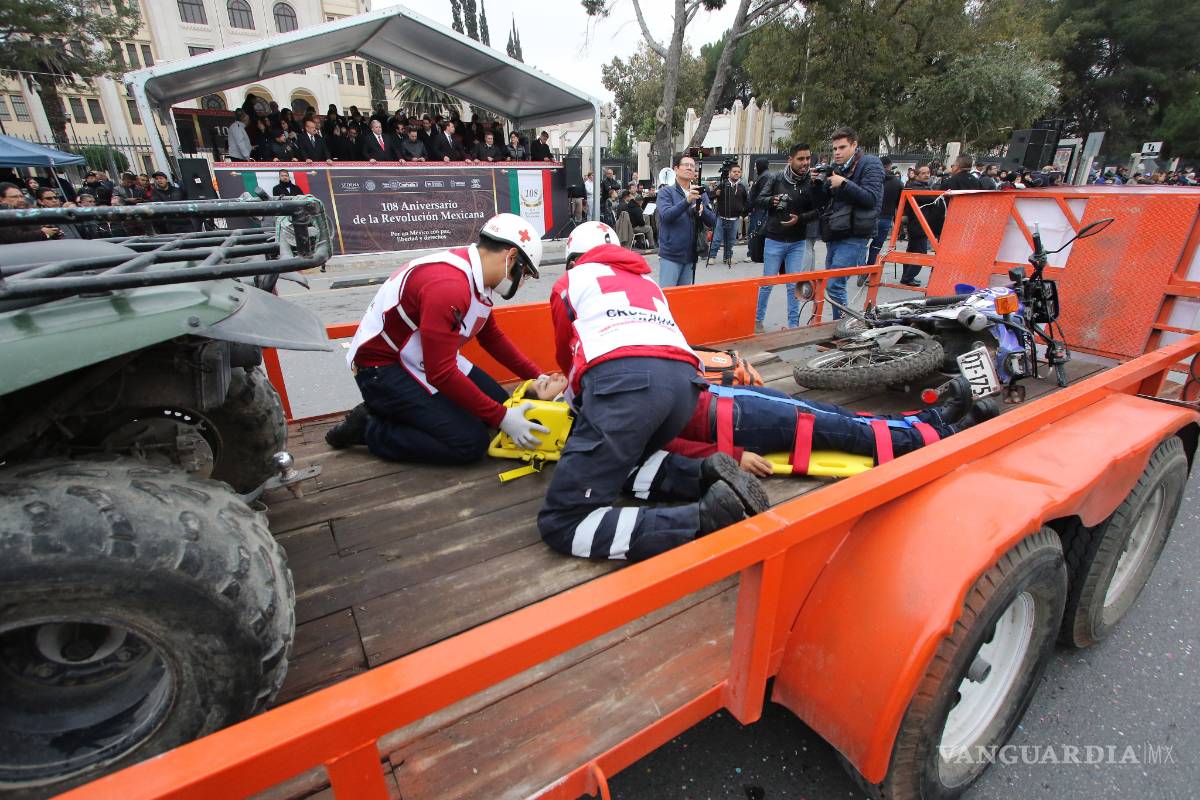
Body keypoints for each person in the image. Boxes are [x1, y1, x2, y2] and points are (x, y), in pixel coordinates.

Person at [538, 222, 769, 561]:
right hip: (685, 387)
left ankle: (702, 520)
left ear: (573, 259)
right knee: (625, 461)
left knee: (563, 521)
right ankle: (702, 473)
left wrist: (575, 407)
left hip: (627, 386)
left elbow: (567, 357)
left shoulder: (570, 282)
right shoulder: (646, 280)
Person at [325, 214, 548, 464]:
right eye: (525, 274)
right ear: (511, 258)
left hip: (421, 357)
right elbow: (440, 373)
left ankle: (410, 411)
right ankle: (368, 426)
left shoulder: (479, 279)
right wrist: (502, 417)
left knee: (499, 406)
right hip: (382, 367)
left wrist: (536, 376)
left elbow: (491, 337)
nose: (522, 282)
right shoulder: (449, 285)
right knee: (470, 443)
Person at [524, 370, 997, 476]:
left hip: (730, 400)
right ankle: (945, 436)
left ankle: (930, 418)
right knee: (844, 433)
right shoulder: (596, 414)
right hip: (734, 421)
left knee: (836, 416)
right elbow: (661, 449)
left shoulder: (594, 384)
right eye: (541, 386)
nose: (546, 376)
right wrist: (733, 458)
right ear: (546, 411)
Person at [753, 144, 823, 332]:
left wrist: (799, 219)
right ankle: (757, 321)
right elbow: (759, 200)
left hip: (797, 241)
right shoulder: (775, 178)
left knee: (794, 285)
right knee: (767, 283)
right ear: (790, 160)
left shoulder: (812, 181)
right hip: (774, 239)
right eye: (801, 159)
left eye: (808, 158)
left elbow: (819, 210)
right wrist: (772, 200)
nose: (805, 163)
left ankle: (793, 325)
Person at [818, 126, 884, 319]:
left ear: (854, 145)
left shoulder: (870, 164)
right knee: (831, 285)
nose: (837, 152)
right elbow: (825, 200)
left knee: (834, 285)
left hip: (855, 234)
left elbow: (871, 199)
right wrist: (818, 184)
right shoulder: (837, 169)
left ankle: (844, 327)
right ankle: (841, 325)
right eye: (834, 149)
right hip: (836, 230)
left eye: (842, 147)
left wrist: (844, 183)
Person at [656, 152, 717, 288]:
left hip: (690, 255)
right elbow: (666, 216)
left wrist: (702, 212)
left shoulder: (700, 192)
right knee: (669, 298)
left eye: (692, 166)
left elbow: (713, 221)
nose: (690, 168)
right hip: (671, 255)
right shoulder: (666, 192)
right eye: (686, 165)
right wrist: (687, 200)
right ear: (676, 169)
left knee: (683, 300)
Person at [708, 163, 748, 266]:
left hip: (734, 218)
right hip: (721, 217)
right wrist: (715, 194)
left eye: (738, 172)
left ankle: (728, 257)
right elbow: (710, 196)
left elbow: (746, 201)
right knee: (716, 239)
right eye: (734, 172)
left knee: (730, 240)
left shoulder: (742, 187)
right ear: (729, 173)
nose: (736, 173)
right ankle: (712, 256)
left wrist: (743, 212)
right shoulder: (722, 184)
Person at [900, 163, 933, 286]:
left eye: (928, 173)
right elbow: (929, 198)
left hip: (919, 224)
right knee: (921, 253)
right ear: (917, 175)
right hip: (918, 224)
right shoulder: (916, 188)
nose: (926, 175)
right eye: (923, 173)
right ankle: (908, 277)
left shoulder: (923, 187)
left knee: (912, 251)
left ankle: (906, 277)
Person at [868, 157, 902, 266]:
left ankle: (861, 267)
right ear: (889, 166)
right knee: (876, 246)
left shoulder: (871, 178)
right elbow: (900, 205)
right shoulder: (898, 183)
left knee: (860, 243)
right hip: (886, 217)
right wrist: (898, 224)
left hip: (869, 216)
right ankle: (869, 269)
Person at [747, 157, 772, 237]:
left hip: (760, 210)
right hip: (758, 210)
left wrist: (751, 206)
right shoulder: (762, 176)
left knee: (755, 234)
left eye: (756, 166)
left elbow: (762, 194)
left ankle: (753, 249)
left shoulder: (765, 177)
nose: (754, 168)